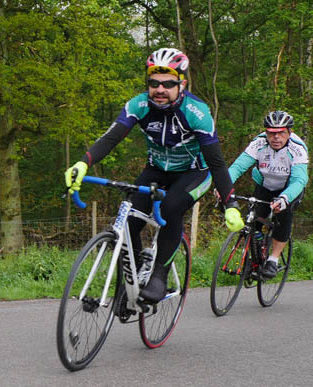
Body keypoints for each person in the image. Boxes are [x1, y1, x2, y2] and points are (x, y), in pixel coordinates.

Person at [65, 48, 244, 303]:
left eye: (168, 84)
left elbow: (216, 162)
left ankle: (159, 276)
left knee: (171, 208)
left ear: (182, 84)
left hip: (194, 173)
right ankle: (132, 279)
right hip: (156, 170)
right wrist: (83, 163)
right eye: (154, 83)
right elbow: (110, 139)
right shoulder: (138, 105)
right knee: (127, 220)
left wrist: (230, 203)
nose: (160, 89)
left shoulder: (197, 112)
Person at [228, 110, 309, 278]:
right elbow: (237, 167)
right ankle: (254, 257)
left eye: (281, 133)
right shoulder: (258, 143)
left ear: (290, 132)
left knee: (283, 216)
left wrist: (284, 198)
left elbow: (299, 180)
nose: (276, 137)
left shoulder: (297, 148)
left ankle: (273, 259)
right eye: (271, 133)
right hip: (265, 186)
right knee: (254, 219)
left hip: (289, 189)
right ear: (266, 133)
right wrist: (224, 187)